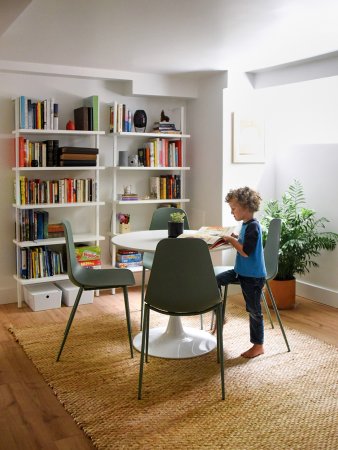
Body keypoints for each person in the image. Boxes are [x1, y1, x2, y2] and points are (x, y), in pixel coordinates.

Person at [216, 186, 267, 358]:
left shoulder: (253, 227)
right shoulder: (246, 225)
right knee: (215, 280)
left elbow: (245, 252)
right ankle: (220, 316)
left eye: (233, 209)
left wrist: (231, 240)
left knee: (254, 311)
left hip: (252, 276)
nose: (231, 212)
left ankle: (258, 345)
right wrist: (235, 238)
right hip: (241, 272)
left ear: (245, 207)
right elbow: (245, 244)